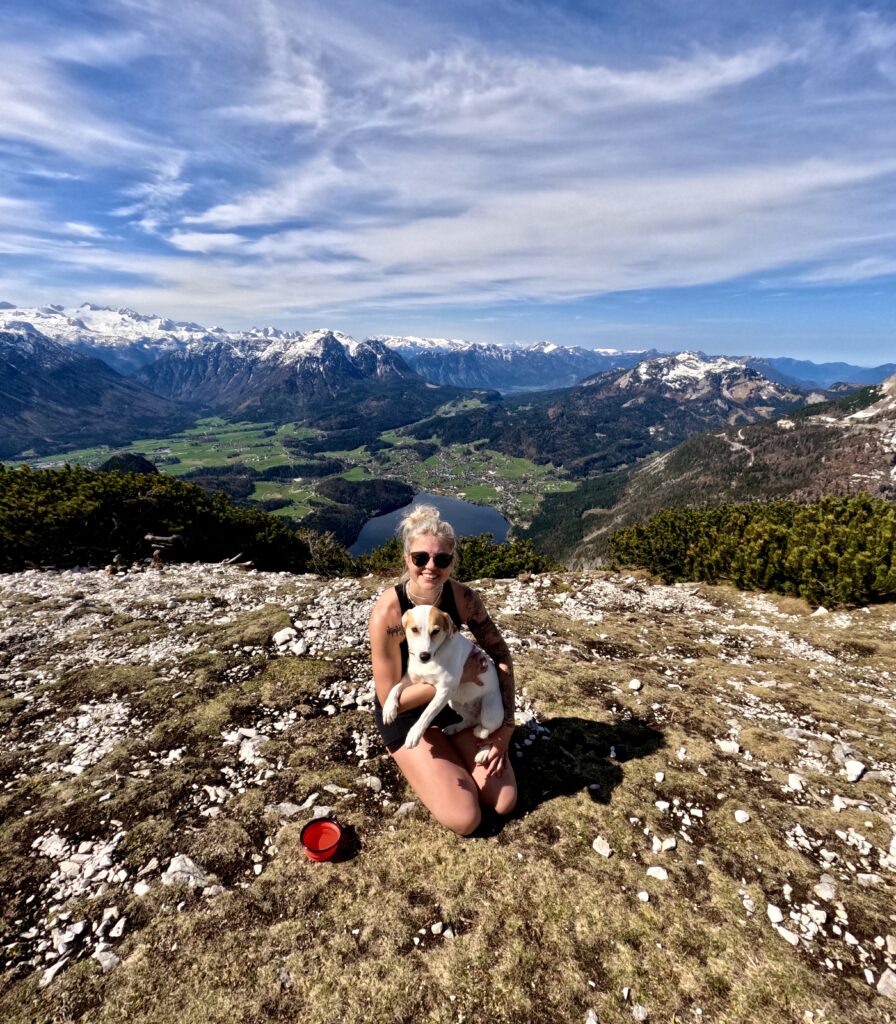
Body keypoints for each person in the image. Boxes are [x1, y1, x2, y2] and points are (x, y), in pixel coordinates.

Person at [369, 504, 517, 835]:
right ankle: (423, 760)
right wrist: (458, 677)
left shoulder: (463, 599)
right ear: (407, 558)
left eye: (442, 559)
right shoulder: (389, 613)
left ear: (452, 562)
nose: (430, 567)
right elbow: (390, 697)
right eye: (421, 558)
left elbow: (501, 654)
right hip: (406, 710)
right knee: (466, 818)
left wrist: (506, 728)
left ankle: (456, 752)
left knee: (504, 799)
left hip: (457, 702)